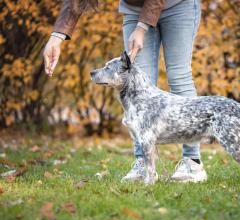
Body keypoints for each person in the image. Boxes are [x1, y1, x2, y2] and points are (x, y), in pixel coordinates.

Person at [43, 0, 207, 183]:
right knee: (138, 83)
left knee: (179, 77)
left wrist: (141, 27)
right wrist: (57, 36)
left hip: (178, 6)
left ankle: (192, 161)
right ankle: (143, 162)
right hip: (135, 9)